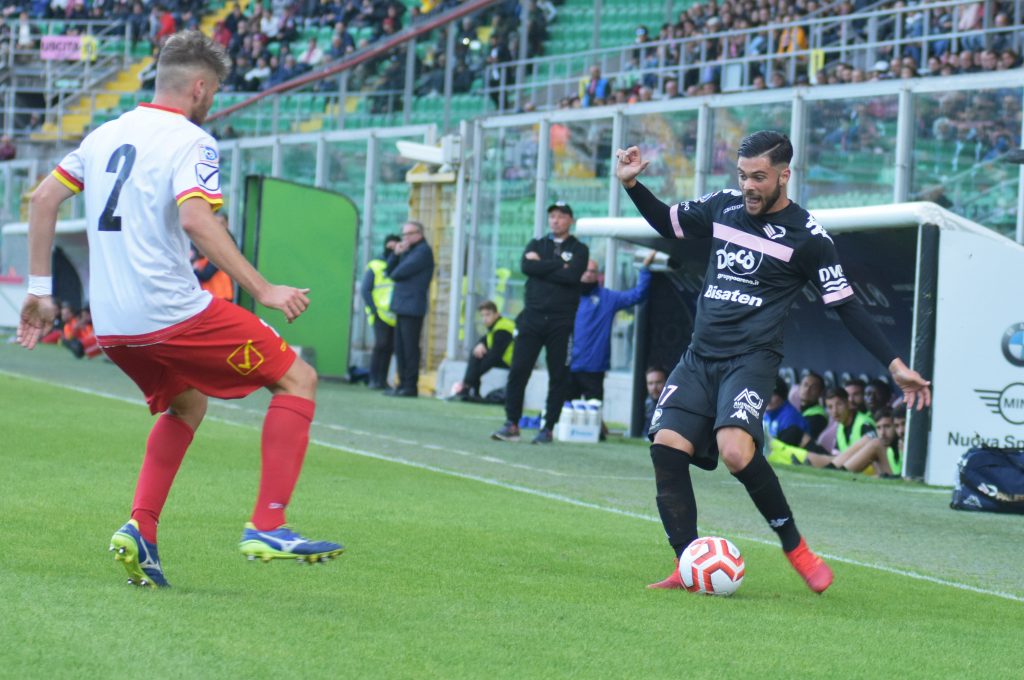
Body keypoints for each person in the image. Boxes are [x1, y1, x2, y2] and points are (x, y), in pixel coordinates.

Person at [16, 31, 344, 588]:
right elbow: (196, 219)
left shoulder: (105, 134)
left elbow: (44, 197)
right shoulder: (193, 140)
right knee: (297, 377)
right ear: (199, 87)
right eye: (212, 91)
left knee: (186, 405)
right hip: (171, 312)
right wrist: (262, 289)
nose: (212, 101)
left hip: (115, 325)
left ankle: (141, 528)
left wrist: (40, 289)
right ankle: (269, 524)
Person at [615, 130, 931, 594]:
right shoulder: (723, 206)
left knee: (736, 452)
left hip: (751, 359)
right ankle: (689, 565)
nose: (748, 186)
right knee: (666, 448)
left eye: (759, 177)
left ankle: (795, 546)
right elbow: (668, 223)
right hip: (700, 356)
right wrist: (631, 185)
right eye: (743, 175)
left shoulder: (809, 237)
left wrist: (895, 364)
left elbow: (846, 305)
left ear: (785, 174)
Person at [491, 201, 589, 444]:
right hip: (532, 318)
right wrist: (557, 265)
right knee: (518, 371)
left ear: (570, 220)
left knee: (558, 375)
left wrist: (541, 266)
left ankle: (548, 427)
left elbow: (572, 275)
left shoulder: (579, 249)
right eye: (552, 216)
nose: (555, 220)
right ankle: (512, 423)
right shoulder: (537, 244)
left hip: (561, 321)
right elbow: (526, 266)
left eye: (561, 216)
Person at [568, 251, 655, 405]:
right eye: (585, 270)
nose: (588, 274)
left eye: (592, 271)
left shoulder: (607, 298)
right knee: (566, 413)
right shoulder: (567, 296)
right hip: (568, 365)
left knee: (593, 411)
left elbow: (637, 295)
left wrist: (644, 269)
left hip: (594, 367)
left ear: (598, 275)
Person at [385, 220, 434, 397]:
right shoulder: (409, 251)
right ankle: (401, 383)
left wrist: (400, 255)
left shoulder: (423, 251)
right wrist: (395, 254)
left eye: (408, 234)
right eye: (403, 234)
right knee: (400, 347)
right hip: (402, 305)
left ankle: (410, 385)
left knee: (410, 347)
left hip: (412, 306)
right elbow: (389, 271)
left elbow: (398, 273)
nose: (404, 238)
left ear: (419, 234)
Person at [451, 300, 515, 402]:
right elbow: (486, 339)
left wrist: (473, 375)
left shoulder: (503, 328)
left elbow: (495, 356)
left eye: (488, 315)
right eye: (482, 315)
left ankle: (467, 387)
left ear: (496, 314)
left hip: (513, 362)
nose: (485, 319)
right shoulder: (495, 326)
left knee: (479, 357)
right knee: (476, 351)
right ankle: (470, 389)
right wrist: (480, 344)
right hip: (505, 359)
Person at [361, 233, 399, 390]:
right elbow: (365, 290)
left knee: (390, 347)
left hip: (394, 314)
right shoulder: (375, 265)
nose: (391, 249)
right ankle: (374, 379)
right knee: (380, 345)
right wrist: (374, 310)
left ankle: (382, 380)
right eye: (389, 246)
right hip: (380, 313)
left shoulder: (399, 264)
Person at [191, 214, 234, 301]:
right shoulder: (206, 247)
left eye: (221, 223)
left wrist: (193, 270)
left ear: (227, 225)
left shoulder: (225, 247)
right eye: (215, 223)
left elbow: (206, 275)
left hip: (220, 296)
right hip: (212, 296)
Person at [797, 371, 828, 439]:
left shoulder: (818, 418)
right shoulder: (801, 411)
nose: (807, 389)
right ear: (799, 387)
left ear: (820, 393)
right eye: (805, 385)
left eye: (813, 387)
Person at [642, 366, 667, 434]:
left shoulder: (674, 405)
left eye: (658, 382)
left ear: (667, 382)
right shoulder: (646, 404)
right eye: (650, 383)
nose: (654, 388)